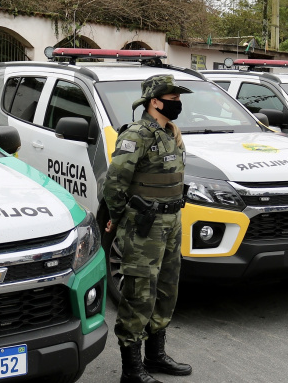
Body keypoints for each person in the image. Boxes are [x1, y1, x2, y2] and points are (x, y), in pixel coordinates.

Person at [103, 74, 193, 383]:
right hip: (145, 225)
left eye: (179, 98)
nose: (178, 103)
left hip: (171, 222)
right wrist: (118, 217)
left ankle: (155, 356)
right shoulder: (137, 134)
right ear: (155, 101)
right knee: (139, 292)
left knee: (167, 289)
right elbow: (115, 182)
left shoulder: (170, 132)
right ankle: (131, 369)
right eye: (173, 98)